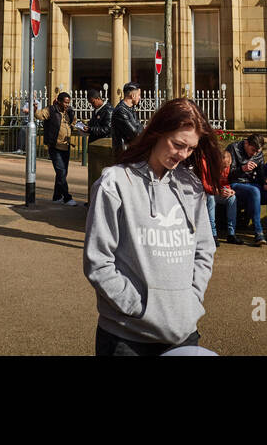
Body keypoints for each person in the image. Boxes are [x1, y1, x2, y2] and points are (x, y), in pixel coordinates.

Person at [84, 98, 219, 355]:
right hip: (127, 336)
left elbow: (204, 249)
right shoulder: (114, 183)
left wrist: (191, 299)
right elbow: (98, 261)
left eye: (190, 149)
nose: (182, 155)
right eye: (178, 144)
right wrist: (139, 307)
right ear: (157, 132)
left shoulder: (191, 185)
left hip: (183, 332)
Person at [226, 133, 267, 246]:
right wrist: (242, 168)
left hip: (253, 185)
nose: (254, 154)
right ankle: (258, 232)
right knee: (254, 190)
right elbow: (226, 174)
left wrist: (265, 181)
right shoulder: (233, 148)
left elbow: (261, 173)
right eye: (253, 150)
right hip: (236, 184)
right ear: (246, 143)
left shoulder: (258, 153)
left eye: (257, 151)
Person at [43, 92, 79, 206]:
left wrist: (77, 126)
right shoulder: (51, 110)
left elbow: (73, 123)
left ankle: (57, 196)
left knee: (62, 173)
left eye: (68, 102)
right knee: (61, 172)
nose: (67, 105)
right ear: (58, 101)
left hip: (66, 146)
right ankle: (67, 198)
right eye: (65, 102)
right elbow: (40, 115)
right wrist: (34, 109)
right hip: (55, 146)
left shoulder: (69, 112)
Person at [198, 148, 236, 248]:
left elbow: (226, 183)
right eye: (223, 166)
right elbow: (205, 185)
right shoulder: (209, 166)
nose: (225, 169)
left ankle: (231, 234)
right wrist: (218, 191)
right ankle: (213, 234)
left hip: (218, 192)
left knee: (232, 198)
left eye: (227, 166)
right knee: (210, 198)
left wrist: (230, 191)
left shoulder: (228, 167)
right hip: (208, 193)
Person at [111, 82, 144, 156]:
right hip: (124, 154)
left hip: (131, 152)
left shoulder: (130, 109)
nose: (140, 97)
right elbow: (135, 133)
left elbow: (139, 127)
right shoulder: (121, 111)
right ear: (133, 95)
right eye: (139, 95)